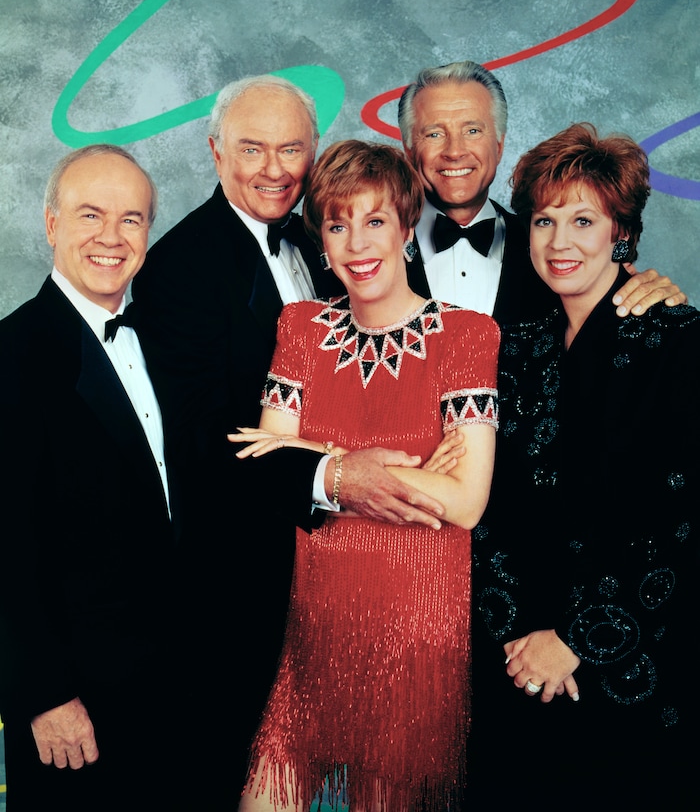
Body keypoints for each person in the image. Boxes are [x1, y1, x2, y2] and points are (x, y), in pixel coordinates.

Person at [131, 75, 447, 802]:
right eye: (252, 149)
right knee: (249, 780)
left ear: (314, 151)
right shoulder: (178, 268)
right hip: (249, 589)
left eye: (292, 149)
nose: (274, 169)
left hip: (375, 573)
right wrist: (334, 477)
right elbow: (205, 440)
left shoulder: (334, 234)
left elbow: (412, 354)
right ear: (216, 152)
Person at [230, 139, 500, 811]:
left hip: (416, 637)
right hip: (313, 635)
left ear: (407, 229)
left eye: (375, 220)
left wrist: (315, 452)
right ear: (320, 240)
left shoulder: (466, 336)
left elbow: (465, 502)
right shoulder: (300, 327)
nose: (356, 243)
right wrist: (368, 467)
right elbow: (266, 466)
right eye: (337, 224)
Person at [470, 123, 699, 808]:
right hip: (519, 662)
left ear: (620, 232)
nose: (559, 242)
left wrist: (575, 639)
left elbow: (681, 520)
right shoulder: (516, 347)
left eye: (582, 220)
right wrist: (520, 641)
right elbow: (488, 509)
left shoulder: (680, 342)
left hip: (638, 663)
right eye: (544, 221)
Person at [0, 144, 179, 810]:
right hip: (74, 709)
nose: (112, 237)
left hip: (176, 688)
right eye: (90, 215)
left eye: (131, 219)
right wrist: (43, 694)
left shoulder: (167, 339)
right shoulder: (11, 356)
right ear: (51, 225)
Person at [397, 59, 686, 323]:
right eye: (434, 134)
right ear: (409, 149)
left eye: (472, 131)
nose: (454, 151)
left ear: (499, 144)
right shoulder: (377, 252)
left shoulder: (552, 249)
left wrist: (655, 296)